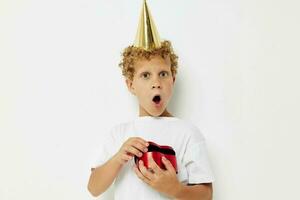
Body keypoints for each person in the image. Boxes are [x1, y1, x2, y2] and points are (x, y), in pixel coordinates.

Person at [87, 1, 215, 199]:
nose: (156, 83)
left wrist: (175, 189)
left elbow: (206, 195)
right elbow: (94, 188)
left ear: (173, 80)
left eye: (163, 74)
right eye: (146, 75)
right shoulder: (119, 134)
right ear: (131, 85)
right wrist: (118, 158)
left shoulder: (187, 133)